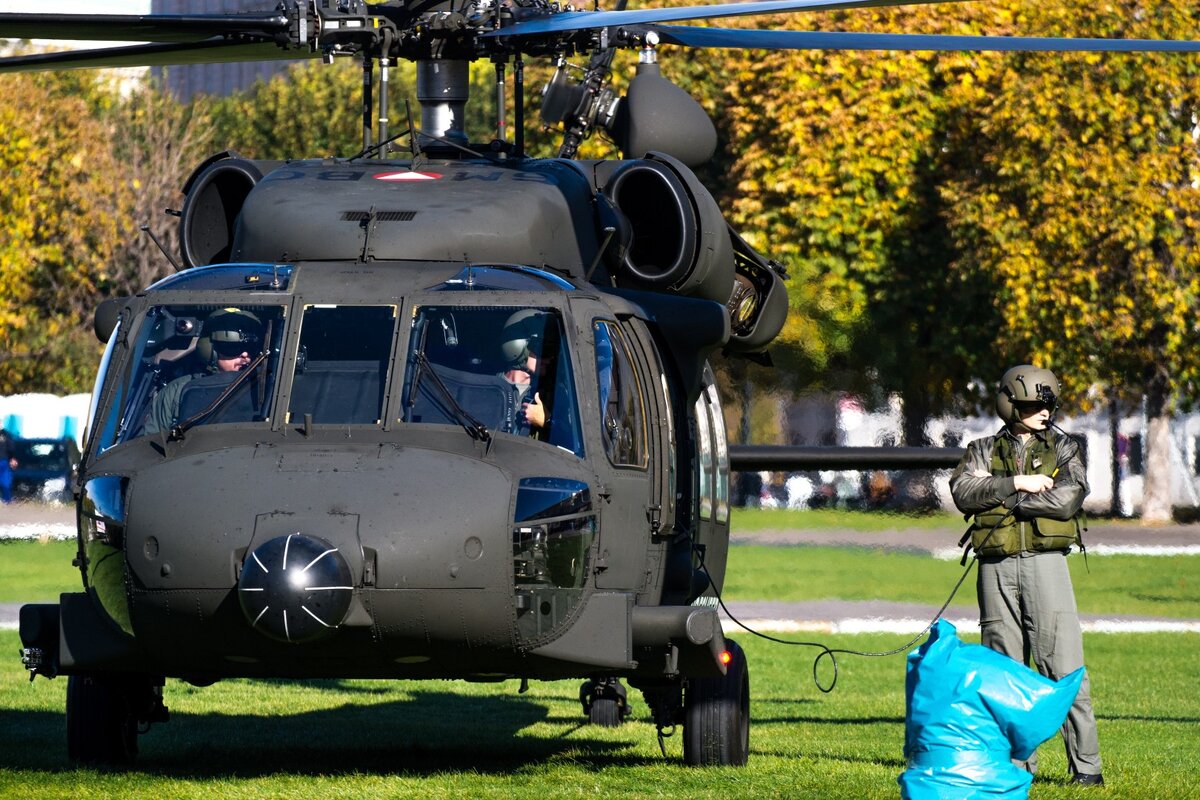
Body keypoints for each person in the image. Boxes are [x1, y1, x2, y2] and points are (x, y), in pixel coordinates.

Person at [949, 364, 1103, 786]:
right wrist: (1020, 483)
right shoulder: (980, 449)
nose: (1044, 411)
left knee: (1064, 666)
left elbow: (1067, 499)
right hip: (995, 569)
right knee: (1003, 671)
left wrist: (1001, 496)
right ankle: (1014, 769)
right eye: (1034, 404)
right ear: (1010, 404)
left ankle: (1087, 770)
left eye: (1048, 403)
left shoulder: (1065, 448)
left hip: (1045, 565)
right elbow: (962, 491)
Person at [144, 308, 262, 435]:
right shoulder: (178, 391)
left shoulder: (264, 387)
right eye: (233, 347)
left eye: (250, 348)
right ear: (210, 350)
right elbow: (150, 444)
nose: (245, 354)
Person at [498, 310, 546, 433]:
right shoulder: (487, 386)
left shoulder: (550, 396)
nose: (550, 357)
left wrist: (546, 421)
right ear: (518, 346)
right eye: (541, 348)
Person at [0, 428, 16, 503]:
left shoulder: (6, 435)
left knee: (5, 482)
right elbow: (11, 448)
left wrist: (11, 458)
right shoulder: (6, 434)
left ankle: (6, 500)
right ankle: (6, 501)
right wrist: (12, 458)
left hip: (3, 461)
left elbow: (11, 448)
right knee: (5, 482)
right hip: (3, 460)